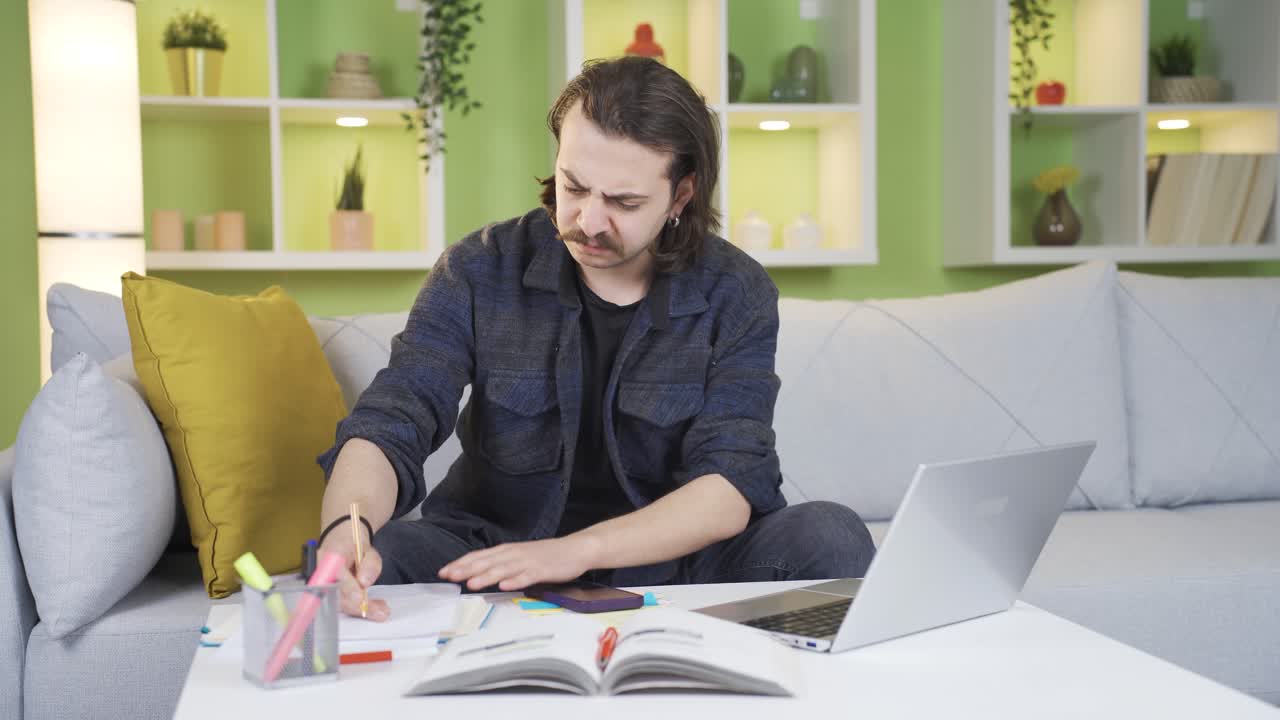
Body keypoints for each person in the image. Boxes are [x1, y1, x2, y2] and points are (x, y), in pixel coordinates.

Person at [316, 56, 875, 620]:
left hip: (679, 563)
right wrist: (348, 527)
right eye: (574, 187)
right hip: (494, 549)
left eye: (624, 202)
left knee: (832, 535)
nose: (588, 220)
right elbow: (395, 417)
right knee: (379, 558)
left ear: (681, 196)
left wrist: (571, 553)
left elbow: (730, 485)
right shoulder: (477, 268)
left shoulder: (738, 291)